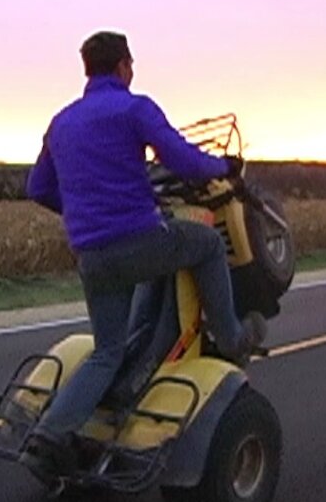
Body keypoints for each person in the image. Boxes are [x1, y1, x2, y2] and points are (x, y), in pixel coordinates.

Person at [21, 30, 267, 476]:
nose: (132, 71)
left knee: (107, 351)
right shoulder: (135, 108)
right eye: (131, 64)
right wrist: (224, 167)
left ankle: (51, 432)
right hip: (136, 240)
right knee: (206, 244)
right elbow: (184, 160)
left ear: (87, 69)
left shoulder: (62, 122)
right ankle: (231, 338)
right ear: (122, 66)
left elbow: (37, 187)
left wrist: (81, 210)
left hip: (91, 255)